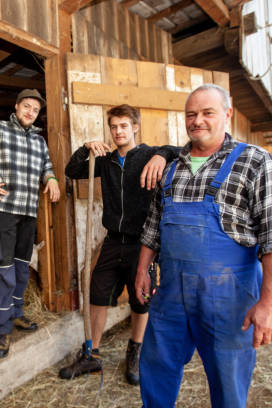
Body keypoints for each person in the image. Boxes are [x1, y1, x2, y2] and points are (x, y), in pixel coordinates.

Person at [135, 83, 272, 407]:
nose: (198, 120)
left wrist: (271, 304)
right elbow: (153, 227)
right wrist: (142, 269)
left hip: (229, 298)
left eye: (207, 112)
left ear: (227, 113)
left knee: (228, 380)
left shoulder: (255, 162)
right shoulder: (171, 169)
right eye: (191, 114)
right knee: (155, 367)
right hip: (171, 295)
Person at [59, 104, 180, 385]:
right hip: (113, 240)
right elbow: (72, 169)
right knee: (98, 292)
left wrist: (161, 155)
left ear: (135, 127)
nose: (118, 131)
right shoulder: (106, 160)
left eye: (124, 126)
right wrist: (85, 147)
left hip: (143, 242)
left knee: (141, 298)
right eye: (114, 127)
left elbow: (180, 152)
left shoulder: (149, 154)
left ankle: (135, 352)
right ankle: (92, 353)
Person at [0, 89, 60, 359]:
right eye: (26, 106)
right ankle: (2, 330)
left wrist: (51, 179)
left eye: (35, 110)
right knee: (4, 269)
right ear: (16, 107)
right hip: (3, 211)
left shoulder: (39, 141)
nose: (30, 112)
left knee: (21, 268)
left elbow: (46, 166)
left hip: (28, 213)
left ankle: (16, 314)